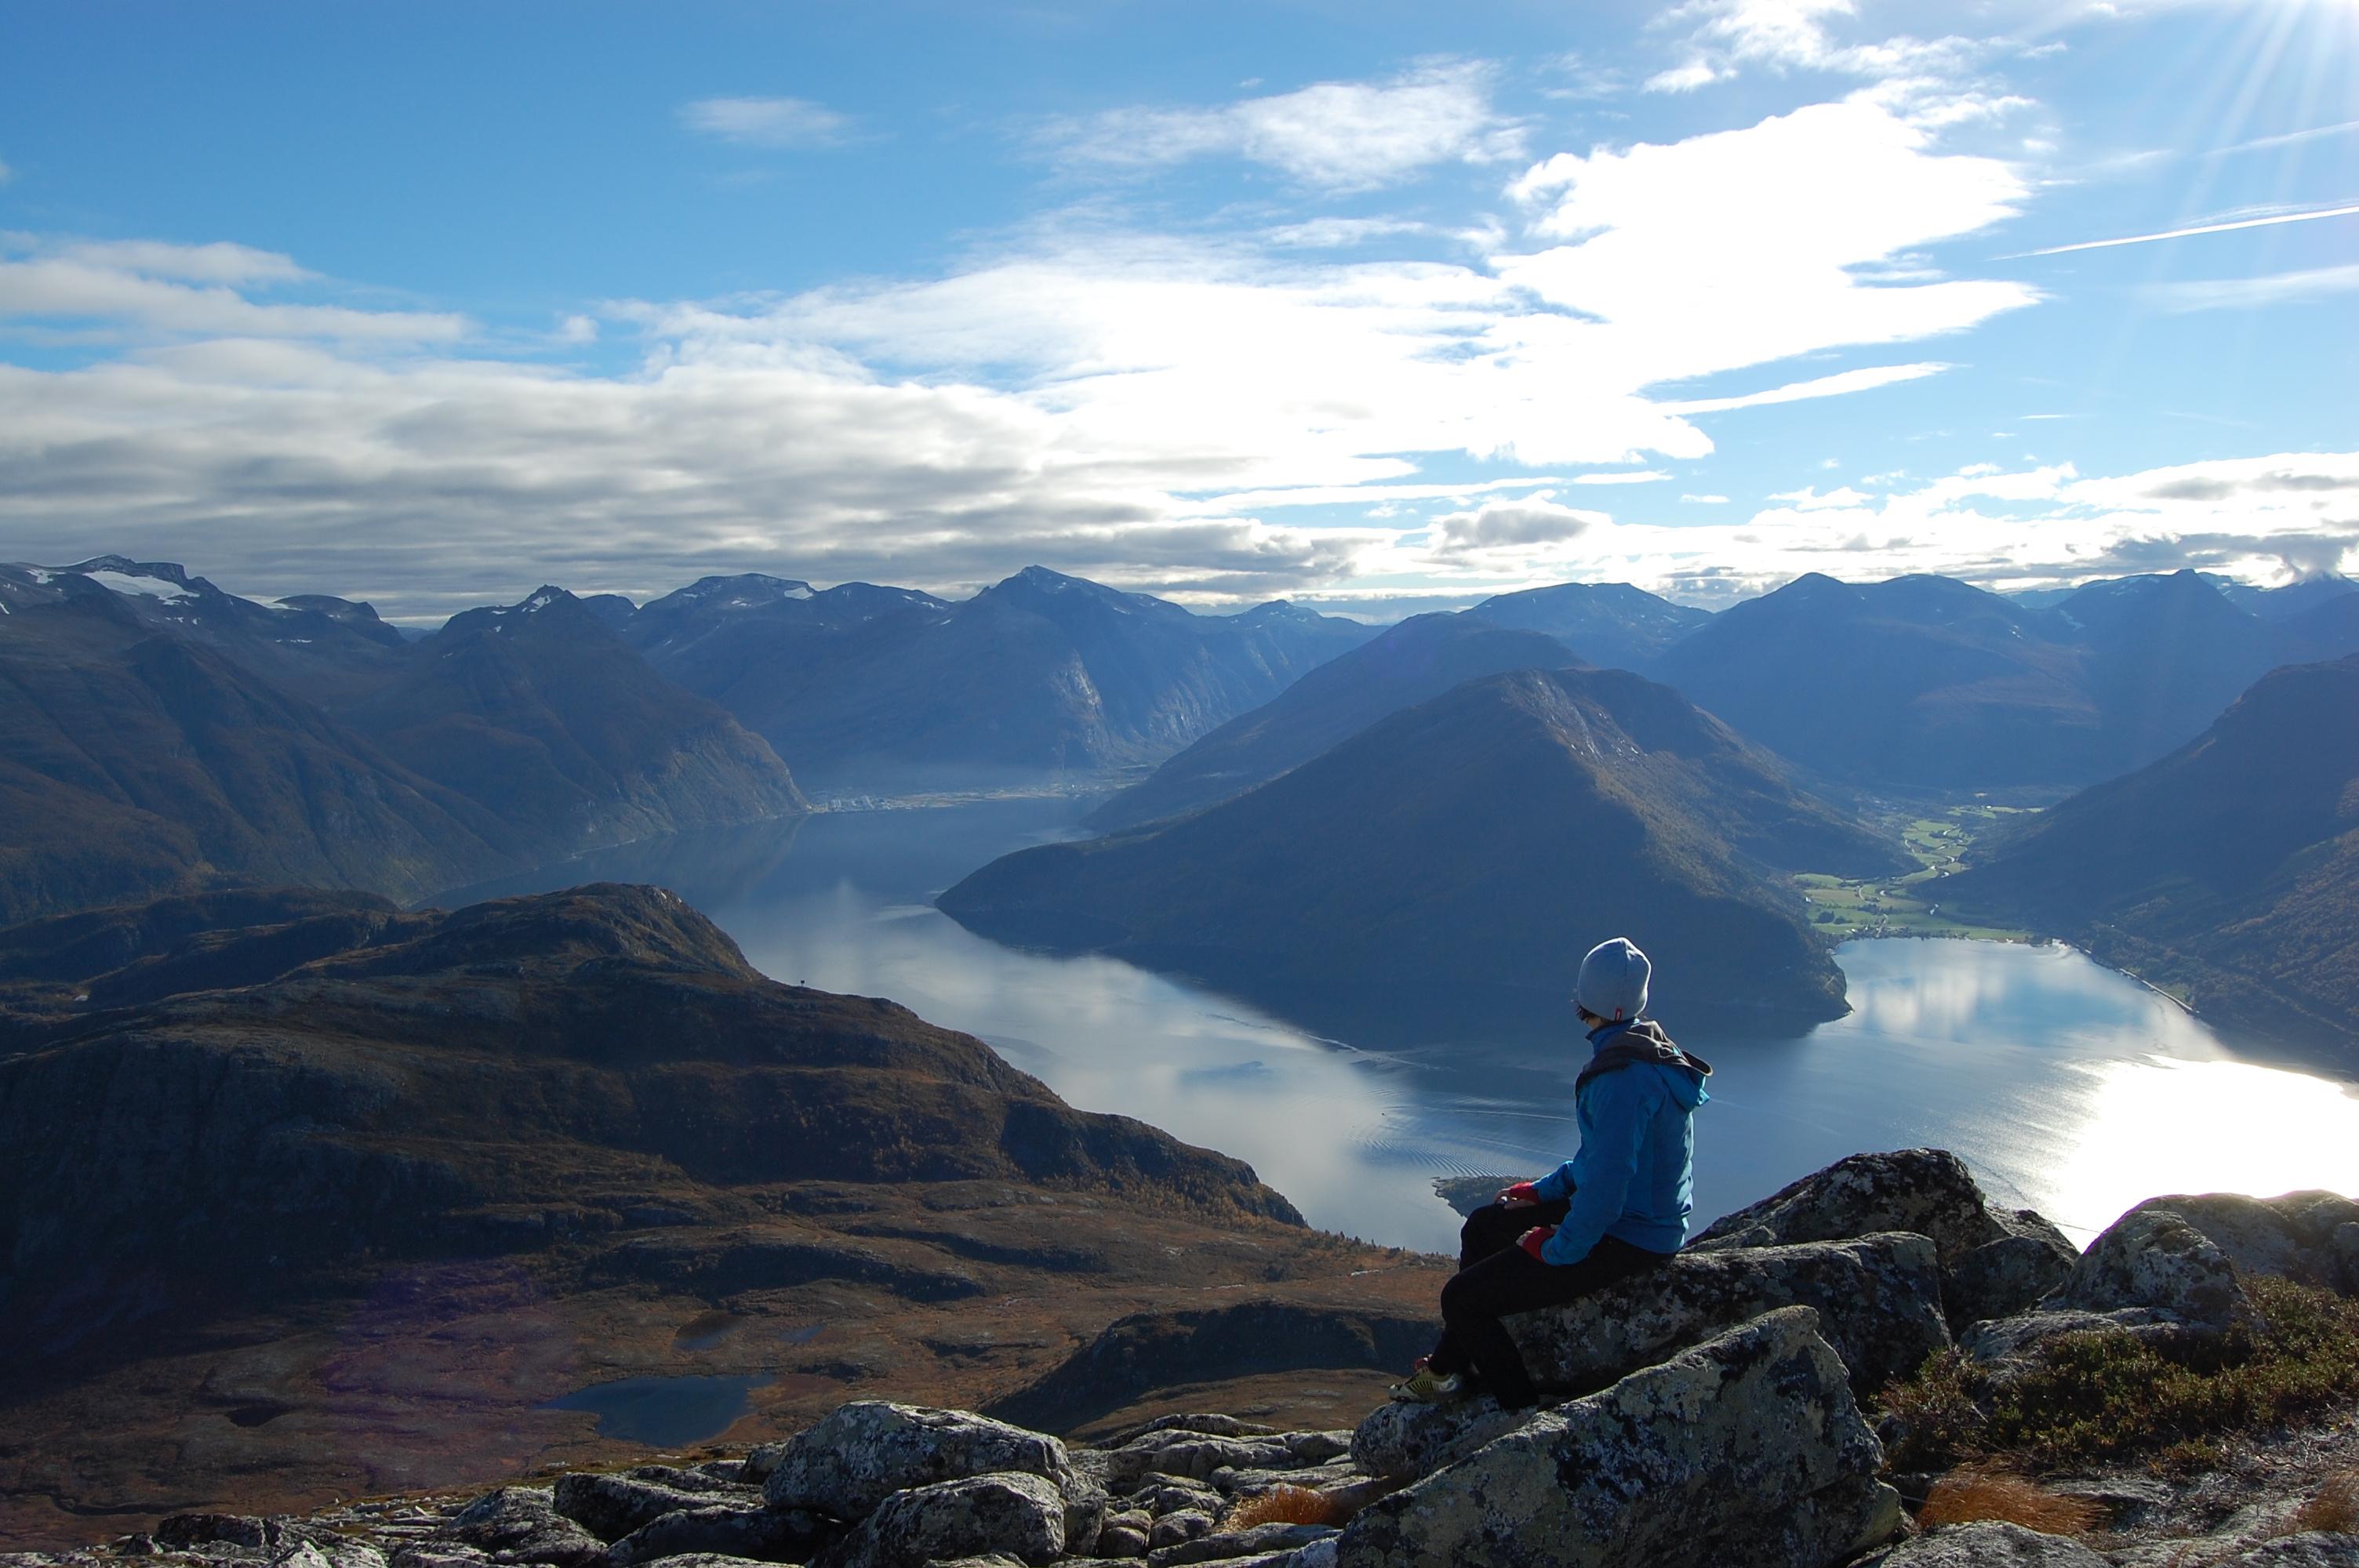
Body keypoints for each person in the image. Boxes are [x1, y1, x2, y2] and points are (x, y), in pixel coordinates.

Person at [1391, 935, 1712, 1411]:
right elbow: (1604, 1160)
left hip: (1631, 1235)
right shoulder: (1648, 1052)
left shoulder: (1621, 1078)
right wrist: (1545, 1191)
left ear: (1584, 998)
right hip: (1641, 1216)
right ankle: (1447, 1370)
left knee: (1462, 1300)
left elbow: (1604, 1192)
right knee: (1484, 1225)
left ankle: (1522, 1417)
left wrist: (1558, 1248)